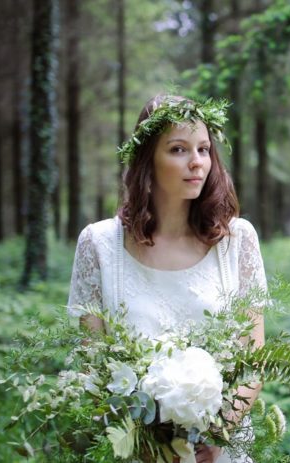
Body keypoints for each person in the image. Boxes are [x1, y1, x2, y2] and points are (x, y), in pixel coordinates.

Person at [67, 94, 265, 463]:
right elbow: (90, 366)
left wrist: (218, 433)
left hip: (220, 451)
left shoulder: (237, 241)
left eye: (204, 149)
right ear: (147, 160)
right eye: (178, 149)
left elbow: (253, 362)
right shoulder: (99, 244)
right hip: (135, 451)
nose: (197, 163)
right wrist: (147, 444)